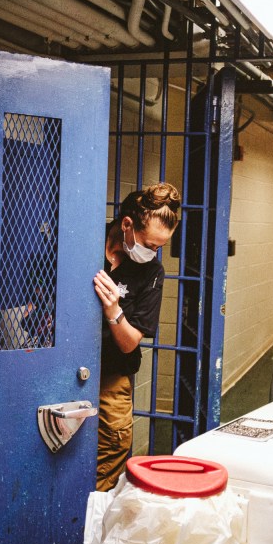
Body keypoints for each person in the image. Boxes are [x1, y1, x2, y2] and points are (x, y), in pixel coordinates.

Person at [93, 182, 182, 491]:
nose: (154, 253)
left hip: (112, 376)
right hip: (66, 368)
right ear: (127, 225)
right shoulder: (86, 235)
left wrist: (114, 310)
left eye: (160, 247)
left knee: (109, 455)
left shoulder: (152, 272)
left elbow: (130, 342)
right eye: (150, 244)